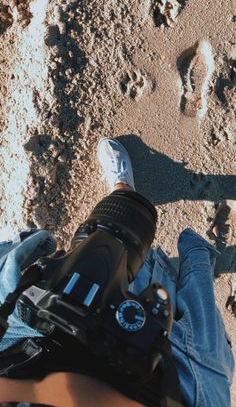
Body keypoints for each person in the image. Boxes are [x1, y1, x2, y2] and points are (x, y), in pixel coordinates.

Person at [0, 137, 234, 407]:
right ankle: (194, 249)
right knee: (193, 296)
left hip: (27, 359)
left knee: (86, 264)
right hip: (173, 389)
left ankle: (122, 192)